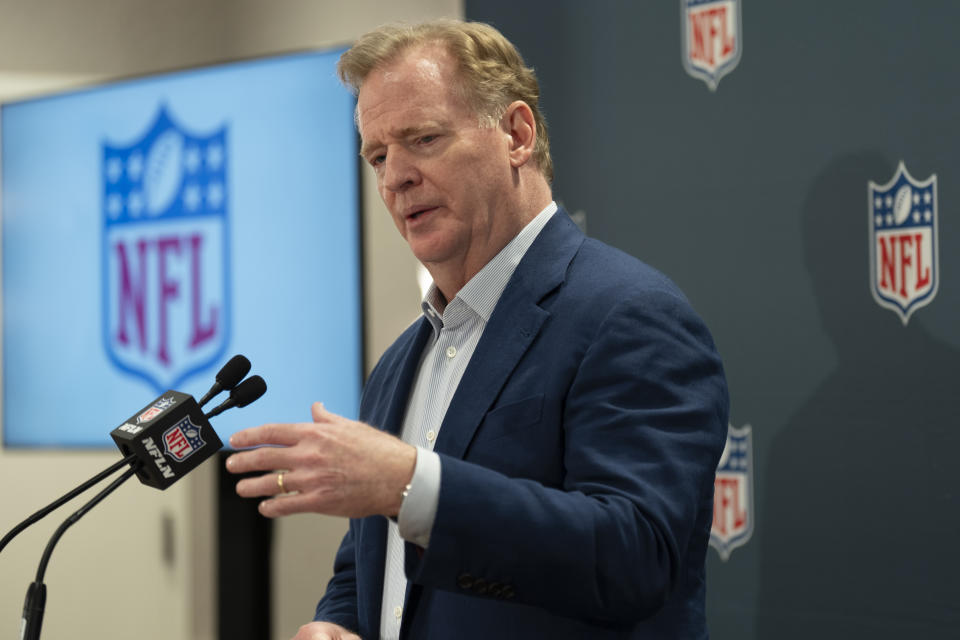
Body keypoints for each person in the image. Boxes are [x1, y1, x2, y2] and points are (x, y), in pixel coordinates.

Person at [226, 19, 728, 640]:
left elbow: (635, 557)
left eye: (424, 139)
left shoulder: (628, 315)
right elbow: (369, 566)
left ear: (516, 134)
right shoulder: (397, 366)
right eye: (378, 156)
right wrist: (336, 624)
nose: (394, 177)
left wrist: (408, 481)